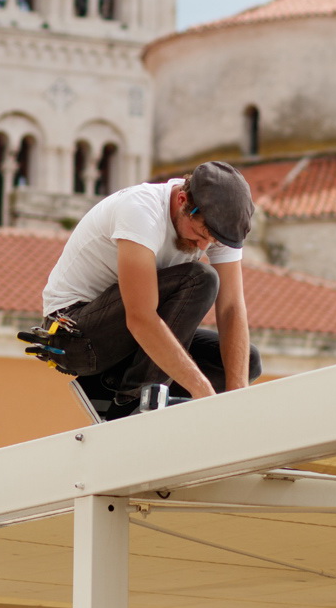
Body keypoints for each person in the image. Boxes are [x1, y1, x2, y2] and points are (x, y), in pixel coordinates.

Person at [39, 161, 262, 419]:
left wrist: (236, 396)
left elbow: (231, 308)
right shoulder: (141, 210)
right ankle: (132, 404)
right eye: (199, 234)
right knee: (201, 278)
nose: (203, 246)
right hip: (72, 335)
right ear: (182, 200)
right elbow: (141, 317)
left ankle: (107, 389)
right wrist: (204, 392)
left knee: (244, 362)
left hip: (127, 341)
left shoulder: (216, 228)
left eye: (212, 241)